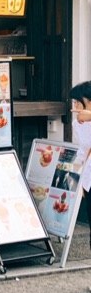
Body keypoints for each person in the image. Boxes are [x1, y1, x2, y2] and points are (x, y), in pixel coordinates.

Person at [70, 81, 91, 248]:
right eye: (74, 102)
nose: (76, 106)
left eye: (78, 101)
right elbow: (83, 151)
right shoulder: (78, 123)